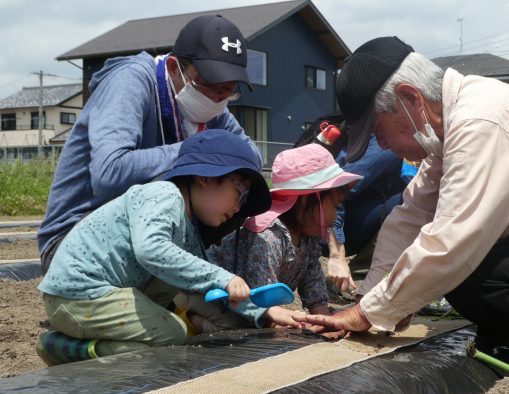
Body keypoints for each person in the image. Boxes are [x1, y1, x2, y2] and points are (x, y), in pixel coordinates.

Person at [294, 36, 509, 353]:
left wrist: (367, 313)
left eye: (379, 131)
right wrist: (370, 297)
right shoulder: (448, 126)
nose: (382, 146)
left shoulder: (478, 120)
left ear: (411, 99)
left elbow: (451, 243)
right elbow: (409, 217)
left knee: (466, 274)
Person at [38, 15, 261, 275]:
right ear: (174, 67)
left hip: (141, 231)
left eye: (228, 90)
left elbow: (251, 158)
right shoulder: (131, 81)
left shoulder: (212, 103)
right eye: (211, 85)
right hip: (76, 243)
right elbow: (110, 172)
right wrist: (196, 150)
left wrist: (209, 151)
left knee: (236, 191)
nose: (218, 98)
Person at [35, 130, 273, 366]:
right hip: (76, 296)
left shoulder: (188, 226)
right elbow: (151, 249)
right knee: (172, 335)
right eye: (240, 194)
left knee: (188, 293)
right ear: (206, 176)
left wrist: (263, 313)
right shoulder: (163, 195)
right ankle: (61, 348)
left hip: (103, 294)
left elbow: (199, 283)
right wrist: (224, 278)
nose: (238, 209)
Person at [173, 143, 362, 333]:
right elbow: (263, 303)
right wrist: (295, 325)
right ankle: (188, 319)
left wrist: (324, 320)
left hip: (241, 302)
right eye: (336, 207)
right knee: (240, 328)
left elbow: (313, 283)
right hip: (208, 295)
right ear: (308, 199)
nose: (337, 216)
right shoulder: (268, 236)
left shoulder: (309, 237)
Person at [294, 113, 412, 294]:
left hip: (317, 219)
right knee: (410, 200)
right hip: (323, 224)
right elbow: (336, 190)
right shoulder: (385, 143)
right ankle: (359, 279)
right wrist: (337, 255)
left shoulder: (360, 128)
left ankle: (362, 274)